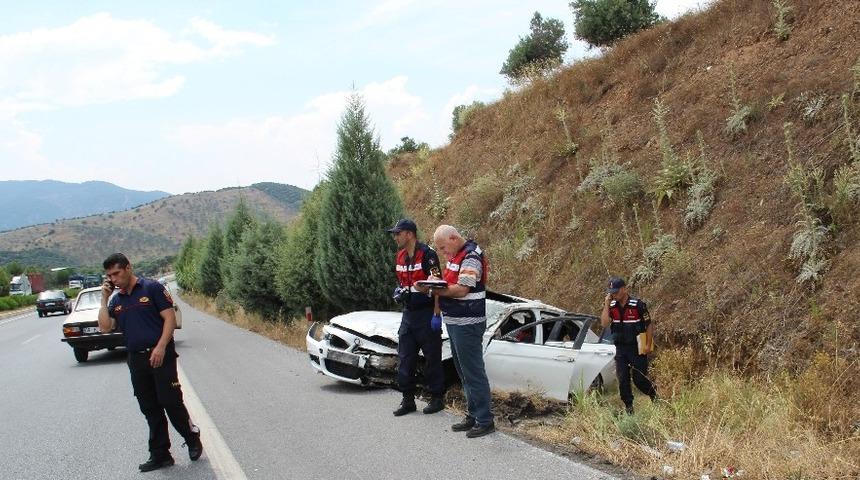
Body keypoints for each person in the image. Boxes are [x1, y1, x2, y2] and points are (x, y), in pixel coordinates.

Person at [97, 253, 202, 472]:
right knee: (150, 408)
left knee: (171, 402)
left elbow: (170, 319)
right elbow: (105, 327)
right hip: (136, 359)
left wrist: (161, 347)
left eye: (116, 273)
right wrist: (103, 299)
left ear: (128, 268)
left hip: (160, 356)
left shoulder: (151, 288)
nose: (114, 279)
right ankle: (161, 454)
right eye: (109, 276)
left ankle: (192, 438)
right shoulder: (116, 301)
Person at [429, 225, 495, 438]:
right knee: (464, 372)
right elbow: (451, 283)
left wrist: (438, 288)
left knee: (473, 372)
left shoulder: (471, 257)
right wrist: (434, 283)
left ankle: (485, 420)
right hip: (456, 321)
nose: (442, 253)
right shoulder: (456, 256)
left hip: (468, 323)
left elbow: (462, 289)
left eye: (443, 247)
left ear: (454, 238)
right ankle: (473, 414)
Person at [386, 219, 446, 416]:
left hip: (427, 313)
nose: (395, 237)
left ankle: (437, 398)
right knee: (405, 358)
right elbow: (403, 283)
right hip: (408, 314)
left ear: (409, 234)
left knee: (432, 359)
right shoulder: (400, 256)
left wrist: (437, 314)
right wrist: (399, 292)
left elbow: (438, 284)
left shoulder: (428, 254)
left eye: (398, 233)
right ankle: (408, 400)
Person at [600, 277, 658, 415]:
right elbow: (604, 323)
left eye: (616, 291)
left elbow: (648, 325)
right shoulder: (612, 307)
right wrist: (606, 304)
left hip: (637, 348)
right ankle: (629, 408)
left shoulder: (638, 305)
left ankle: (654, 396)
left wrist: (648, 345)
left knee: (639, 380)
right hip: (621, 349)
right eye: (611, 292)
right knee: (623, 380)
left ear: (624, 289)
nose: (613, 294)